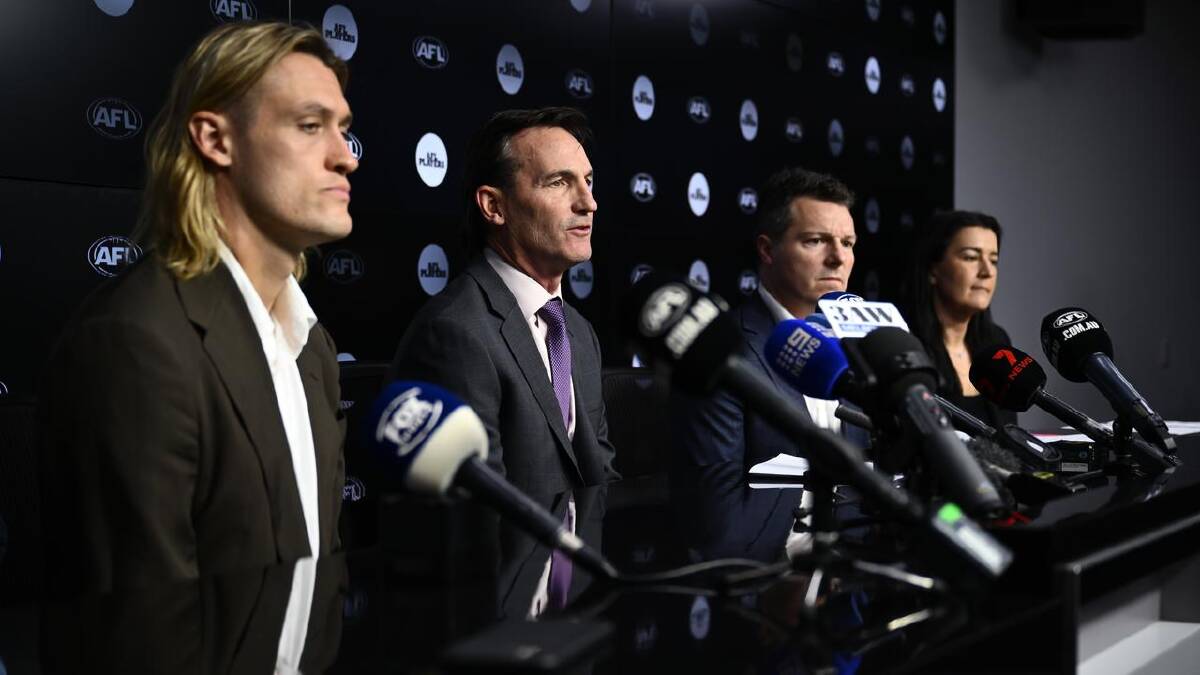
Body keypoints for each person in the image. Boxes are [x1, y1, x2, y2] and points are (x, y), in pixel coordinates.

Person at [38, 22, 357, 592]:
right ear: (215, 140)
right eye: (310, 126)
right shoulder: (135, 342)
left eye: (343, 129)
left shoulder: (313, 347)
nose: (345, 157)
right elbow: (137, 637)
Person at [390, 107, 617, 619]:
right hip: (501, 629)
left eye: (588, 181)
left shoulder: (577, 333)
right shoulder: (455, 332)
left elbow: (600, 478)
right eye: (559, 183)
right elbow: (476, 525)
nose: (588, 203)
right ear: (495, 206)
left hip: (574, 614)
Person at [670, 166, 866, 563]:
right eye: (816, 241)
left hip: (859, 575)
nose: (838, 258)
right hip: (764, 582)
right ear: (767, 250)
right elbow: (716, 523)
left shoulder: (864, 346)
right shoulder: (721, 350)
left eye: (848, 243)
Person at [902, 210, 1015, 428]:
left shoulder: (997, 341)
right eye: (971, 257)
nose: (987, 272)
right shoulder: (906, 343)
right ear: (933, 269)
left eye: (993, 260)